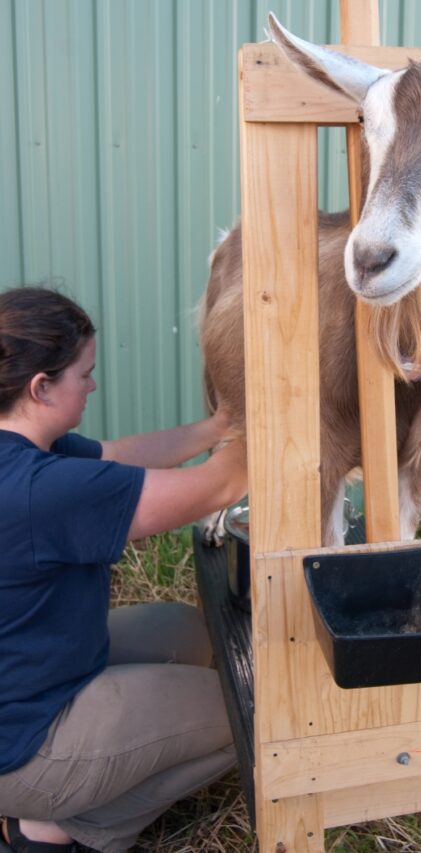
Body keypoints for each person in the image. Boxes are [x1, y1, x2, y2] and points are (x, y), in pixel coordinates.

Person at [0, 286, 248, 853]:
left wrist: (217, 428)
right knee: (246, 715)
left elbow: (117, 456)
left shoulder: (28, 449)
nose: (91, 384)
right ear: (41, 387)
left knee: (189, 632)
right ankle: (58, 827)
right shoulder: (37, 490)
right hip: (23, 744)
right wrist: (278, 423)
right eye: (82, 374)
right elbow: (221, 486)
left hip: (35, 671)